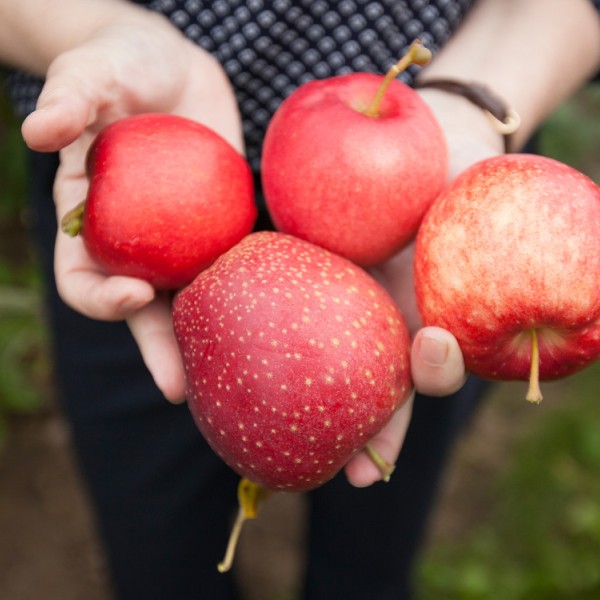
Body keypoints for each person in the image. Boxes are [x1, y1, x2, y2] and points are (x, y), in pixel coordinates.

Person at [1, 1, 599, 598]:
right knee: (155, 549)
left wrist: (472, 100)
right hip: (144, 205)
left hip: (428, 226)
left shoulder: (478, 256)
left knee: (370, 563)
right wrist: (90, 30)